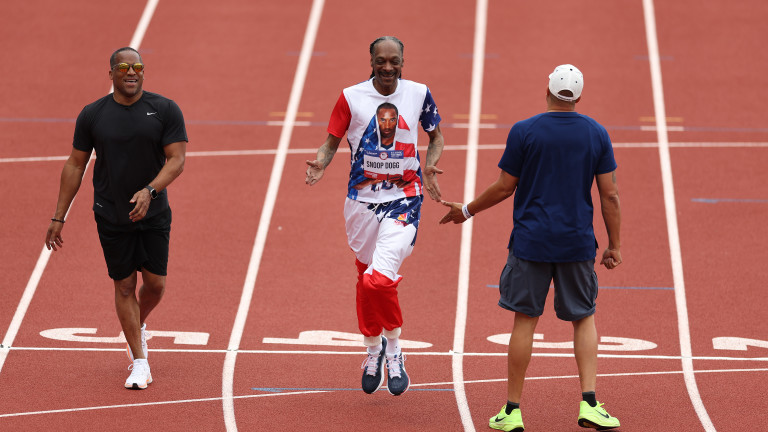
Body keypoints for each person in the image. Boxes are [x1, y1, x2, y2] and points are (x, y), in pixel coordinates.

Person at [440, 64, 622, 430]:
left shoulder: (524, 131)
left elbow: (505, 186)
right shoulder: (596, 133)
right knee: (584, 318)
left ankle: (512, 411)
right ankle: (590, 403)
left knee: (525, 321)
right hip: (576, 243)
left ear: (548, 91)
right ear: (579, 97)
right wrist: (614, 245)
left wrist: (467, 210)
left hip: (530, 243)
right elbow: (610, 195)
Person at [305, 36, 444, 396]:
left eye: (394, 60)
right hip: (361, 202)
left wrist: (430, 166)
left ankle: (394, 348)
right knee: (364, 276)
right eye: (381, 60)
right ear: (371, 61)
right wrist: (321, 162)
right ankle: (372, 348)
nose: (387, 67)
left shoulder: (419, 94)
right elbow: (330, 143)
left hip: (405, 199)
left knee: (377, 281)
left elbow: (436, 137)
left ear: (403, 62)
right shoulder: (351, 97)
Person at [44, 47, 187, 390]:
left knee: (155, 285)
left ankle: (137, 325)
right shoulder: (93, 114)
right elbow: (75, 164)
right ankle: (140, 362)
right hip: (110, 214)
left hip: (154, 212)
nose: (131, 72)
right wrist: (59, 216)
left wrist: (149, 191)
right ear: (111, 74)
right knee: (124, 286)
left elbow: (177, 160)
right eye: (123, 67)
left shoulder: (165, 109)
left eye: (137, 66)